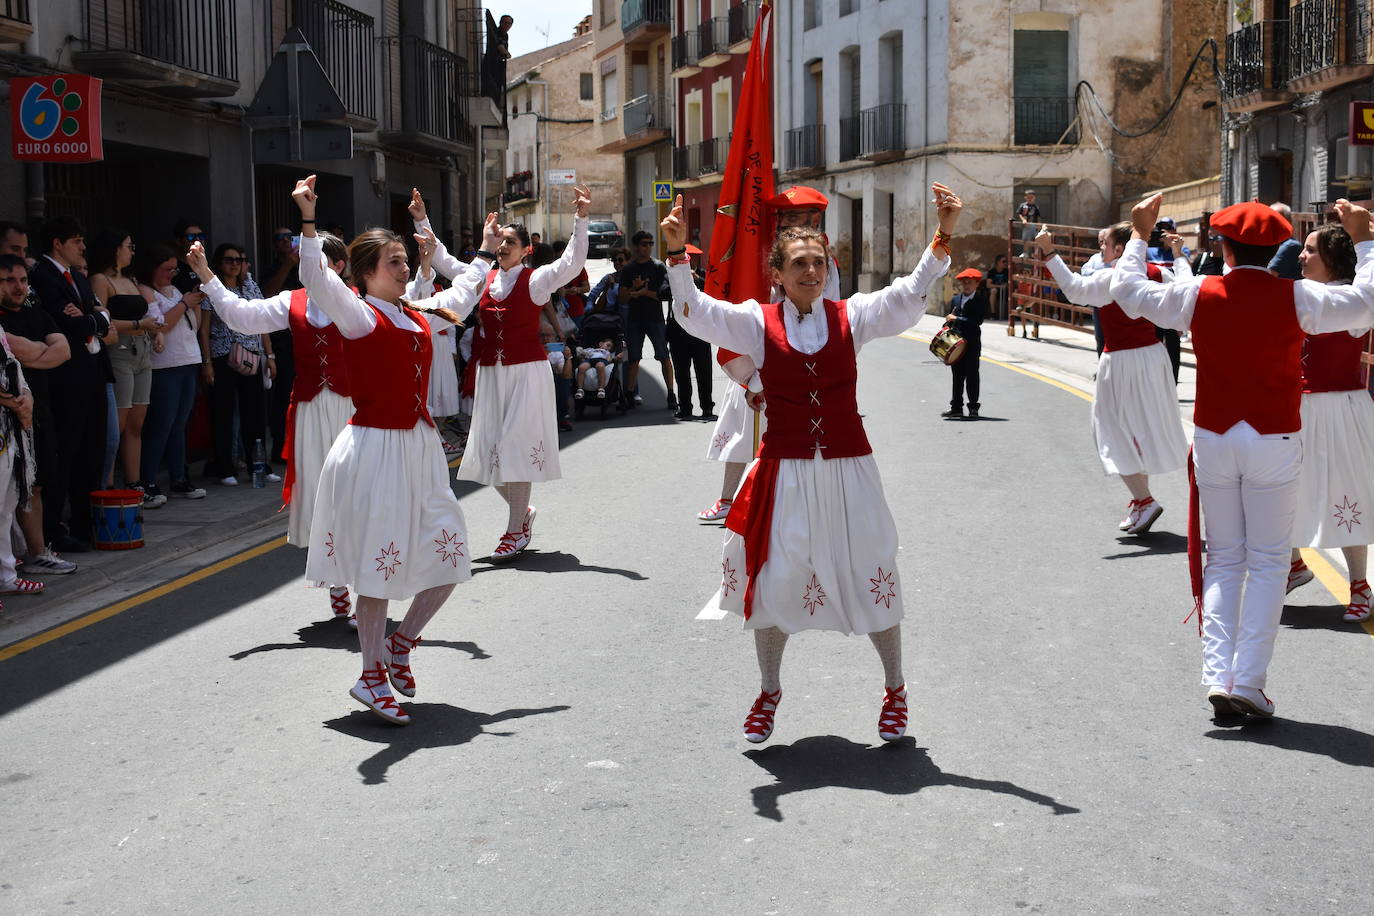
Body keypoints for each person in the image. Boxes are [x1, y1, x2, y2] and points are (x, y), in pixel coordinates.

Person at [662, 183, 963, 743]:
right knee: (775, 580)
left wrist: (942, 235)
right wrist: (679, 257)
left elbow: (909, 293)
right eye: (798, 263)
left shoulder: (854, 316)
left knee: (873, 570)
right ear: (777, 274)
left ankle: (895, 687)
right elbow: (695, 314)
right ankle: (769, 689)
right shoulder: (756, 322)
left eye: (818, 263)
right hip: (786, 471)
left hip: (850, 468)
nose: (810, 272)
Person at [1110, 194, 1374, 720]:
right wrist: (1365, 239)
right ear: (1280, 247)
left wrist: (1138, 237)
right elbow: (1366, 301)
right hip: (1275, 439)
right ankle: (1249, 682)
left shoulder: (1195, 294)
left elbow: (1127, 292)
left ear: (1223, 248)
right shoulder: (1299, 298)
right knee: (1270, 563)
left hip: (1214, 436)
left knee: (1225, 560)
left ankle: (1217, 677)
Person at [294, 174, 485, 725]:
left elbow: (465, 294)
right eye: (395, 263)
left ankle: (400, 645)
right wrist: (309, 221)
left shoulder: (413, 311)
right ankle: (370, 674)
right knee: (377, 569)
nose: (405, 270)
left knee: (451, 555)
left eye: (406, 261)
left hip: (420, 449)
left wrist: (488, 251)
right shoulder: (357, 313)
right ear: (366, 274)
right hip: (375, 449)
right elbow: (317, 279)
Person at [186, 231, 369, 624]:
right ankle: (339, 589)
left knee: (355, 495)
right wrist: (205, 274)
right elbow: (241, 317)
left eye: (311, 259)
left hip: (351, 410)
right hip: (308, 410)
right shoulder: (292, 301)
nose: (303, 267)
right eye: (302, 259)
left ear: (337, 267)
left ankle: (361, 584)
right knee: (322, 498)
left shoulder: (357, 302)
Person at [412, 185, 591, 561]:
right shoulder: (484, 278)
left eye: (511, 241)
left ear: (527, 249)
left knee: (514, 450)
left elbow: (572, 263)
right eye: (500, 240)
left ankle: (513, 532)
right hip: (491, 376)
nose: (504, 245)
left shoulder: (537, 280)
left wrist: (581, 218)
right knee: (487, 456)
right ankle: (522, 512)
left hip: (527, 373)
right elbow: (443, 261)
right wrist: (421, 218)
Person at [695, 186, 841, 522]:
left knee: (800, 440)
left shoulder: (823, 265)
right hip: (755, 360)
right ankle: (729, 500)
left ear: (813, 219)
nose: (786, 223)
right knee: (738, 431)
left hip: (795, 367)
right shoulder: (765, 256)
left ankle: (796, 504)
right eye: (782, 217)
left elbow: (821, 316)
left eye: (794, 216)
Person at [1036, 222, 1188, 533]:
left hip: (1121, 359)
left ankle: (1144, 500)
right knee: (1139, 429)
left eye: (1104, 245)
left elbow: (1075, 289)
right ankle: (1141, 499)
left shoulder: (1110, 279)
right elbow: (1181, 310)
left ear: (1119, 249)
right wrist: (1179, 253)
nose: (1101, 251)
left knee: (1109, 430)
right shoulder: (1159, 272)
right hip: (1154, 356)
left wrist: (1050, 251)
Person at [1283, 224, 1374, 623]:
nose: (1301, 256)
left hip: (1341, 409)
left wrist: (1365, 239)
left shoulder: (1350, 301)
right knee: (1283, 488)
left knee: (1345, 493)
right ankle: (1294, 564)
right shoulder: (1302, 295)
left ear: (1331, 258)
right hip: (1298, 408)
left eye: (1310, 250)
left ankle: (1360, 586)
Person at [28, 215, 110, 552]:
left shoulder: (76, 275)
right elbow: (67, 322)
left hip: (91, 372)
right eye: (76, 240)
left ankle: (84, 521)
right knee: (65, 451)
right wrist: (93, 319)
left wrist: (92, 318)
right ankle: (54, 528)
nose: (83, 247)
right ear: (57, 243)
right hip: (65, 379)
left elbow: (99, 315)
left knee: (93, 449)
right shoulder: (43, 276)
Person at [0, 254, 76, 575]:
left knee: (39, 483)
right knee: (14, 488)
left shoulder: (37, 313)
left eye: (22, 280)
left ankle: (36, 552)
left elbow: (65, 350)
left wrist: (34, 356)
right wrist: (40, 354)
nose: (18, 287)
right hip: (10, 414)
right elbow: (31, 352)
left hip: (40, 409)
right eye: (8, 280)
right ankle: (25, 555)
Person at [89, 230, 162, 507]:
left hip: (142, 351)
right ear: (114, 249)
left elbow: (145, 314)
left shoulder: (131, 279)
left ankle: (135, 483)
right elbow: (100, 321)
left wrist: (154, 331)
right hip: (118, 353)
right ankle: (106, 484)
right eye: (128, 246)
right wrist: (139, 326)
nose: (132, 251)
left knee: (136, 424)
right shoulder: (100, 280)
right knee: (115, 426)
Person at [198, 243, 279, 486]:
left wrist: (270, 355)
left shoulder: (250, 286)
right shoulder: (211, 288)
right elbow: (204, 329)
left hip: (252, 355)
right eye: (230, 260)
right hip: (223, 357)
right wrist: (207, 362)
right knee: (223, 414)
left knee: (255, 413)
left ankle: (259, 466)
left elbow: (262, 320)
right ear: (219, 263)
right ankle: (225, 468)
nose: (235, 264)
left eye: (240, 260)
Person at [138, 245, 207, 502]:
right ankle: (148, 481)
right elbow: (162, 324)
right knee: (161, 425)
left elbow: (195, 324)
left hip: (189, 359)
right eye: (166, 269)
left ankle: (180, 478)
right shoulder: (145, 290)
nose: (171, 273)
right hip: (164, 366)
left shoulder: (176, 289)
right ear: (152, 268)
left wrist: (194, 300)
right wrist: (184, 303)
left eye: (174, 269)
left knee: (180, 424)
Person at [0, 329, 44, 603]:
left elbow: (12, 363)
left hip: (7, 427)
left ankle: (6, 576)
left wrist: (26, 396)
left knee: (5, 506)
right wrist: (13, 402)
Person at [621, 230, 675, 409]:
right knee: (634, 359)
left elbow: (666, 295)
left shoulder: (659, 267)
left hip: (655, 319)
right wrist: (633, 290)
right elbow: (622, 299)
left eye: (651, 243)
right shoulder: (628, 269)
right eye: (644, 244)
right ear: (636, 246)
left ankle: (671, 394)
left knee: (664, 356)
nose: (648, 247)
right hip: (635, 319)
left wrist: (644, 292)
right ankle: (629, 393)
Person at [666, 244, 714, 421]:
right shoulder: (670, 274)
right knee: (682, 373)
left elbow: (712, 293)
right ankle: (685, 407)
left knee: (704, 371)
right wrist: (678, 285)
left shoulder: (702, 275)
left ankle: (707, 407)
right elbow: (661, 292)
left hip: (700, 332)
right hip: (678, 333)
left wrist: (696, 280)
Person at [941, 269, 987, 419]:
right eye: (964, 282)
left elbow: (976, 322)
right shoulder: (956, 299)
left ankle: (973, 408)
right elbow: (950, 319)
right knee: (957, 376)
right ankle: (956, 408)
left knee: (972, 376)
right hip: (956, 343)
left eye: (970, 282)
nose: (966, 285)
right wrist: (946, 326)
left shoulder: (981, 300)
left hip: (972, 344)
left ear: (976, 284)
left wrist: (956, 319)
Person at [1267, 203, 1303, 280]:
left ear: (1288, 222)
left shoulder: (1291, 246)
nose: (1270, 223)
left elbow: (1270, 274)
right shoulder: (1273, 245)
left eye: (1275, 219)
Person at [574, 334, 615, 399]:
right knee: (581, 367)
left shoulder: (607, 352)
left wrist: (613, 358)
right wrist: (582, 354)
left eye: (610, 347)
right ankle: (580, 389)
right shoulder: (591, 349)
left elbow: (609, 360)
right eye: (607, 345)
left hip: (601, 360)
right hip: (590, 359)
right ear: (601, 344)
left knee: (600, 366)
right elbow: (582, 355)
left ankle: (601, 389)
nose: (608, 348)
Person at [1016, 189, 1041, 254]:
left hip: (1034, 226)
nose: (1030, 199)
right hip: (1027, 226)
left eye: (1031, 197)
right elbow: (1019, 214)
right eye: (1028, 197)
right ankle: (1025, 253)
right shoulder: (1023, 205)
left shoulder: (1036, 207)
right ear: (1025, 197)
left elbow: (1038, 216)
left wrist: (1039, 226)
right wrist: (1023, 220)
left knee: (1037, 239)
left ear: (1034, 198)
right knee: (1026, 240)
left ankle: (1036, 253)